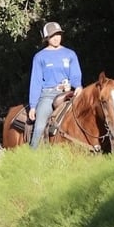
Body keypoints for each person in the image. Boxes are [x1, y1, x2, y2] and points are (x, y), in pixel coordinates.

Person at [28, 21, 83, 149]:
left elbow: (75, 74)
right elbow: (36, 81)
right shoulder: (39, 57)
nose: (56, 37)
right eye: (52, 35)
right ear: (46, 38)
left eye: (58, 34)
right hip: (48, 95)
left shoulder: (70, 54)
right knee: (40, 126)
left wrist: (78, 86)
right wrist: (33, 106)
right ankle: (32, 153)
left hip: (68, 94)